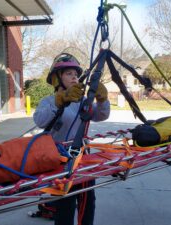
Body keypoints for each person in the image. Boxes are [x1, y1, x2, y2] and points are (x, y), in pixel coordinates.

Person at [33, 53, 110, 225]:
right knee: (65, 203)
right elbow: (40, 120)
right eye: (68, 73)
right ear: (56, 79)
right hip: (59, 158)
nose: (74, 76)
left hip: (82, 156)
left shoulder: (83, 101)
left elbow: (101, 115)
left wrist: (102, 99)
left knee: (87, 201)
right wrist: (61, 100)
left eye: (75, 74)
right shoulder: (49, 101)